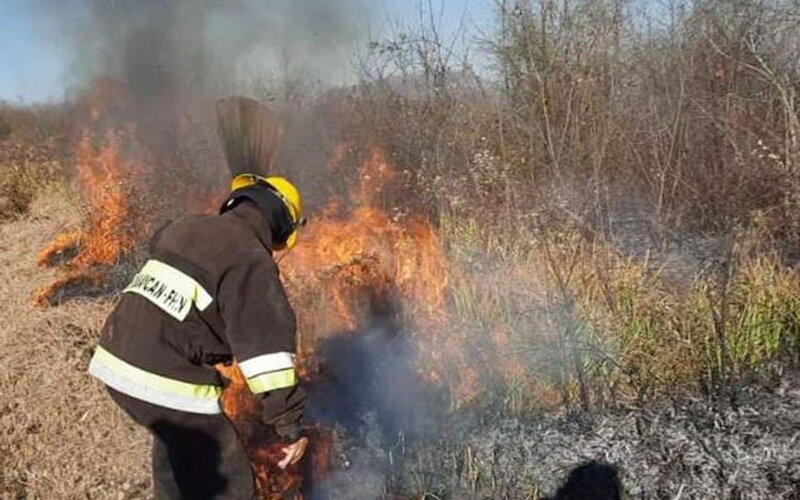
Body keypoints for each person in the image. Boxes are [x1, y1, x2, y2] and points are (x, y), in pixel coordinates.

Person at [88, 173, 308, 499]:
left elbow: (188, 295)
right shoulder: (250, 258)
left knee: (178, 449)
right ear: (280, 223)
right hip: (159, 371)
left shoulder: (185, 226)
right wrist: (289, 427)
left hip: (113, 354)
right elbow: (267, 354)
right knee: (228, 478)